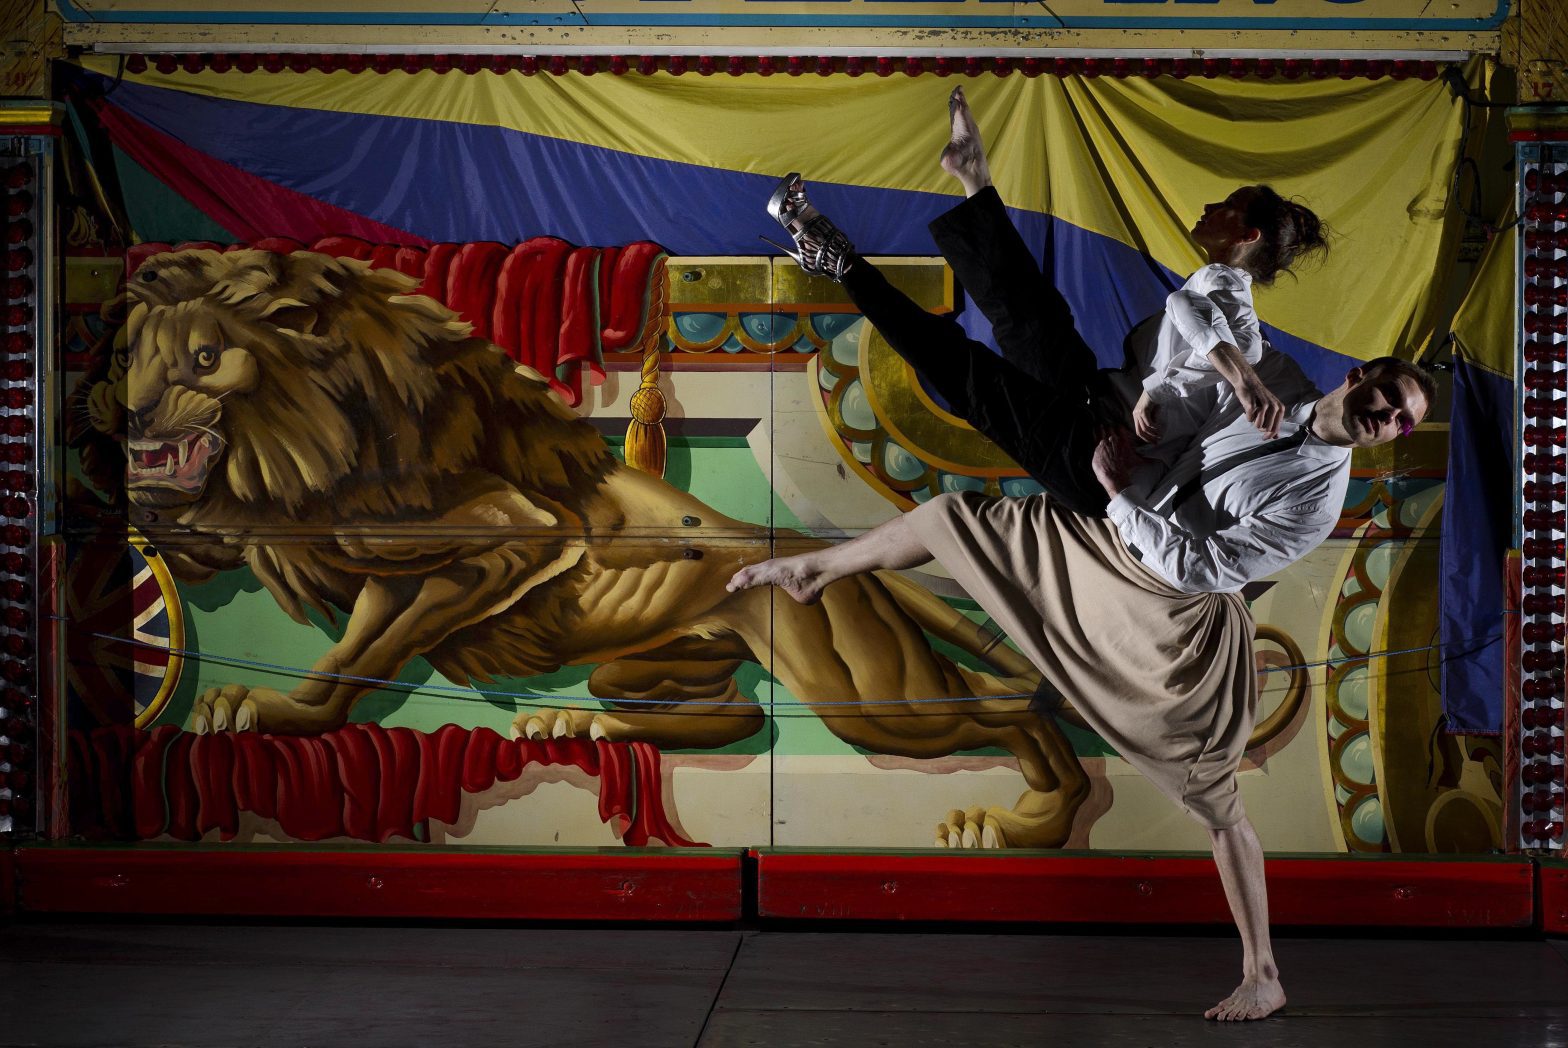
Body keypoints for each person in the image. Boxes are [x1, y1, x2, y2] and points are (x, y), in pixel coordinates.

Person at [734, 86, 1435, 1022]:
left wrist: (1119, 483)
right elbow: (1201, 334)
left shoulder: (1314, 495)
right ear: (1360, 377)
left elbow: (1196, 564)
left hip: (1153, 591)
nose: (1386, 420)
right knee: (1007, 385)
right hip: (1116, 460)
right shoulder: (1270, 367)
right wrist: (1173, 402)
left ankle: (1263, 970)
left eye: (1397, 425)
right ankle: (818, 560)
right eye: (1387, 398)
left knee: (1214, 798)